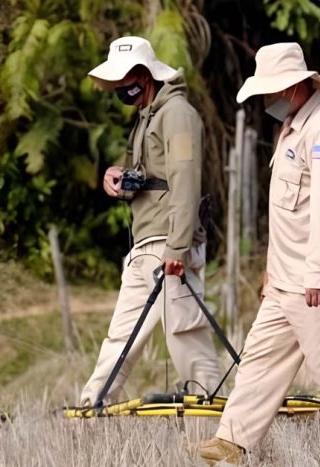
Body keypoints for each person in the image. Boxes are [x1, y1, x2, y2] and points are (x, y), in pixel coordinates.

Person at [198, 42, 320, 465]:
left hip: (319, 283)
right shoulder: (293, 126)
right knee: (259, 359)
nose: (266, 101)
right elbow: (287, 215)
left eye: (270, 92)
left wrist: (318, 272)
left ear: (296, 86)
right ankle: (233, 441)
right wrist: (270, 271)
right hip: (284, 279)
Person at [78, 36, 223, 406]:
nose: (120, 90)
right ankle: (92, 404)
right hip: (145, 245)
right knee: (121, 335)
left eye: (124, 80)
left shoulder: (176, 114)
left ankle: (218, 410)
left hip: (168, 243)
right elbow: (150, 177)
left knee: (184, 332)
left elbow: (185, 179)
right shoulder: (148, 117)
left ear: (143, 75)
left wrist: (178, 246)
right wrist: (120, 179)